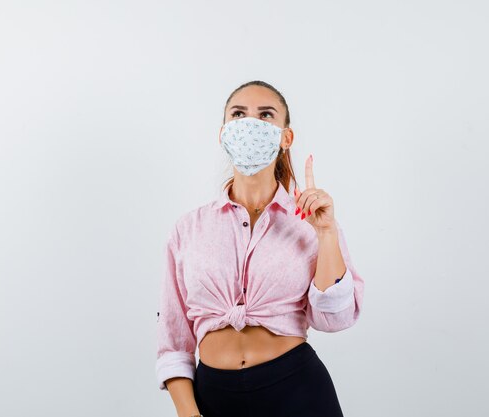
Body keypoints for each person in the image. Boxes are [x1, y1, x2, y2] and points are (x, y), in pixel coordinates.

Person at [155, 80, 365, 417]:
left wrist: (325, 233)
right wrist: (188, 413)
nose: (250, 123)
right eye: (238, 114)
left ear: (286, 137)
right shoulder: (188, 229)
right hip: (213, 398)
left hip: (298, 393)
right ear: (223, 132)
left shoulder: (310, 221)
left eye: (265, 114)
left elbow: (335, 319)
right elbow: (173, 339)